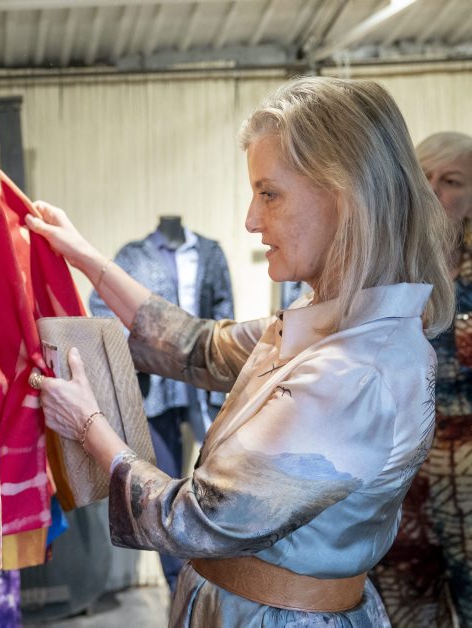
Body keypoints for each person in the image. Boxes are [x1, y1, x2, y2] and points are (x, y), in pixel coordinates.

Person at [23, 76, 456, 625]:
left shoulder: (353, 371)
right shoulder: (334, 321)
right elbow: (200, 346)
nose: (251, 220)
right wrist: (89, 259)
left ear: (345, 195)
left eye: (269, 194)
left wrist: (88, 425)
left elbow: (194, 520)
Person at [371, 131, 472, 627]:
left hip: (470, 483)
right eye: (424, 176)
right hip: (400, 475)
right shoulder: (384, 268)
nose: (434, 190)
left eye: (451, 181)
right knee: (406, 611)